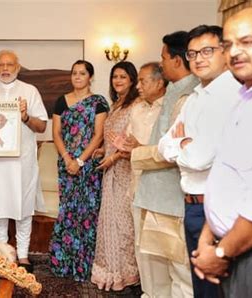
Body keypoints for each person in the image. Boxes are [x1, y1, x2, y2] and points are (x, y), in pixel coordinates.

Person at [191, 8, 252, 297]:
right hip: (231, 247)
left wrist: (220, 253)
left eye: (247, 41)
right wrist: (209, 239)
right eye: (228, 45)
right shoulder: (247, 97)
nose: (235, 52)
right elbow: (225, 176)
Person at [158, 25, 241, 298]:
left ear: (225, 51)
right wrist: (183, 143)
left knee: (221, 288)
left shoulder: (233, 94)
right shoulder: (195, 97)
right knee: (202, 289)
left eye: (207, 51)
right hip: (192, 204)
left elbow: (200, 157)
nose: (198, 59)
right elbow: (163, 146)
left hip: (218, 205)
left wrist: (180, 145)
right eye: (192, 53)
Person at [123, 31, 199, 297]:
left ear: (177, 60)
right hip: (156, 197)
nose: (162, 63)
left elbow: (175, 151)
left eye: (164, 57)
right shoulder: (176, 94)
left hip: (171, 201)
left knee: (179, 275)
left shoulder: (187, 98)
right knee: (155, 274)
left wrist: (135, 152)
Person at [0, 50, 48, 270]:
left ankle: (23, 255)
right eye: (1, 65)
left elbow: (42, 126)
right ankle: (4, 252)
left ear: (18, 67)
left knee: (23, 207)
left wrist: (24, 117)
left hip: (22, 163)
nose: (5, 69)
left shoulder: (29, 91)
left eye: (9, 65)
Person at [49, 60, 109, 281]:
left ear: (90, 77)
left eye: (82, 73)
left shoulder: (98, 102)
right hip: (66, 164)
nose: (77, 77)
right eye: (74, 73)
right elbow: (56, 133)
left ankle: (85, 265)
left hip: (88, 166)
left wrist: (80, 161)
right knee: (67, 211)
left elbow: (99, 135)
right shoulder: (61, 101)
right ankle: (64, 263)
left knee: (87, 213)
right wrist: (67, 158)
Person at [111, 61, 167, 295]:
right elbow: (130, 142)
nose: (139, 86)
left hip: (160, 185)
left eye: (143, 81)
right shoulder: (138, 109)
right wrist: (123, 148)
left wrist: (138, 148)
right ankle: (146, 289)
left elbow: (167, 152)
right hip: (136, 183)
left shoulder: (169, 109)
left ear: (160, 82)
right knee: (139, 242)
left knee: (159, 247)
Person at [90, 61, 140, 291]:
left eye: (123, 77)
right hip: (110, 169)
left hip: (125, 169)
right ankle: (112, 272)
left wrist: (113, 157)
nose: (118, 81)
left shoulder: (136, 106)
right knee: (110, 223)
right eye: (115, 77)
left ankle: (128, 274)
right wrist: (103, 151)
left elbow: (134, 142)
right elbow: (112, 139)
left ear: (132, 80)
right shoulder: (117, 104)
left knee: (124, 225)